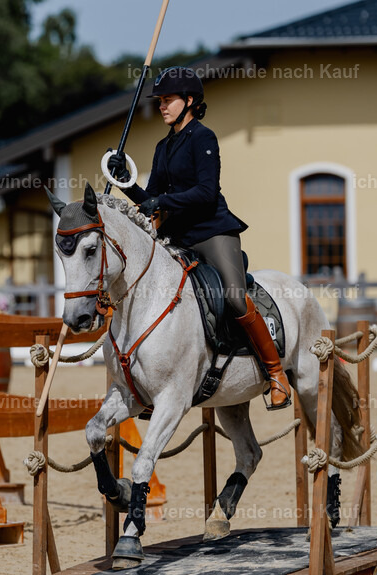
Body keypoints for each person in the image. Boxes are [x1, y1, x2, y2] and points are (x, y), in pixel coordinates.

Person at [107, 66, 292, 410]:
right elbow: (152, 197)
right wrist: (125, 182)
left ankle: (276, 372)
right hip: (178, 237)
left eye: (168, 100)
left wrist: (159, 201)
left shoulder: (203, 138)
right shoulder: (163, 147)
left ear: (189, 101)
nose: (162, 106)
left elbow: (206, 193)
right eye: (160, 100)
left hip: (213, 231)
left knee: (235, 298)